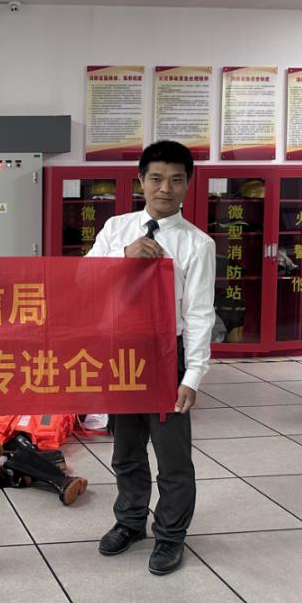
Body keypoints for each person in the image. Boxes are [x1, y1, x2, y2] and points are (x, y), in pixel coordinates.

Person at [86, 140, 215, 575]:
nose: (165, 188)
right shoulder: (117, 228)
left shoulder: (197, 244)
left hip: (166, 356)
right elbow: (84, 279)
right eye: (156, 178)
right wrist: (123, 257)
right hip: (122, 353)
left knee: (172, 456)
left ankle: (171, 534)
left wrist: (192, 375)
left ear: (188, 184)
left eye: (176, 180)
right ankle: (130, 521)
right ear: (141, 180)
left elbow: (199, 313)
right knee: (125, 449)